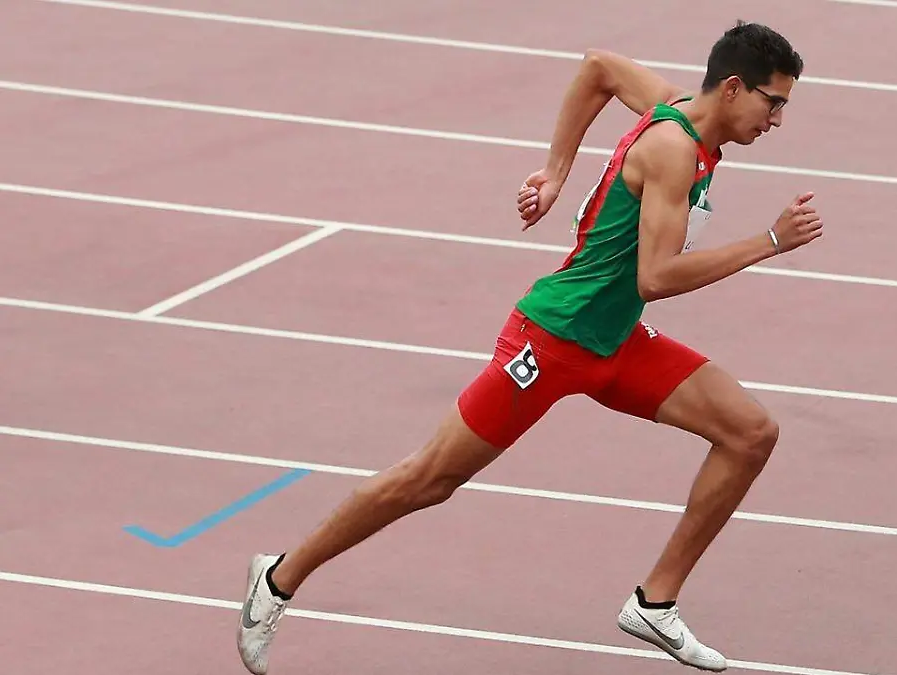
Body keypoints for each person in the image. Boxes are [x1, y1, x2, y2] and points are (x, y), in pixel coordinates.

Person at [237, 20, 820, 674]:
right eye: (774, 103)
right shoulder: (672, 149)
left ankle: (654, 602)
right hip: (552, 342)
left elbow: (599, 67)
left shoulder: (679, 106)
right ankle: (278, 578)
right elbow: (655, 277)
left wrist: (554, 173)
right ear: (734, 87)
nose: (777, 120)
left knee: (750, 433)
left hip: (614, 339)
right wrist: (770, 242)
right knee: (430, 478)